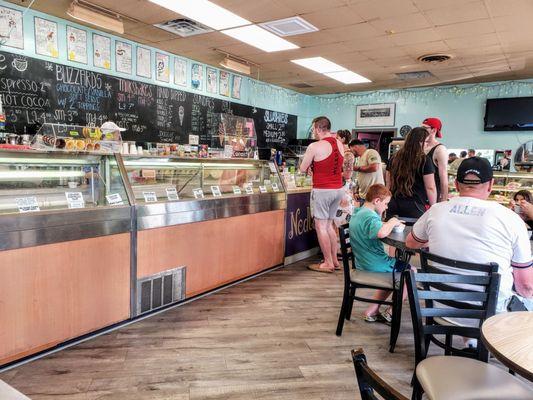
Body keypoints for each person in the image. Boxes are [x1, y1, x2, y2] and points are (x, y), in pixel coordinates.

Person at [406, 157, 533, 313]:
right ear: (491, 185)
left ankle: (470, 338)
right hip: (491, 319)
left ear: (456, 184)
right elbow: (526, 286)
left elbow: (411, 243)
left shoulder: (436, 210)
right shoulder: (510, 218)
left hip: (441, 309)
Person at [349, 184, 409, 322]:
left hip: (362, 262)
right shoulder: (370, 217)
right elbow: (381, 233)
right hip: (375, 264)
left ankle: (373, 309)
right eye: (386, 203)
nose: (387, 207)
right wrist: (393, 221)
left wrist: (385, 223)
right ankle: (392, 312)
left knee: (394, 276)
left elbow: (374, 227)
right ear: (377, 201)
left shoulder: (359, 213)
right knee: (410, 272)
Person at [300, 116, 345, 273]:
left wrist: (310, 166)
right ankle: (334, 260)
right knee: (329, 225)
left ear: (319, 128)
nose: (313, 132)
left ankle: (327, 263)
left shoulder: (314, 146)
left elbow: (302, 168)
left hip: (322, 189)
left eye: (313, 129)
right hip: (338, 189)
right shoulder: (339, 143)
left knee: (321, 226)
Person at [386, 127, 437, 219]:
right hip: (414, 206)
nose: (427, 145)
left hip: (393, 203)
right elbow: (430, 188)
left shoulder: (393, 158)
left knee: (390, 232)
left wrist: (386, 203)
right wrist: (434, 208)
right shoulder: (424, 160)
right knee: (413, 233)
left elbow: (388, 184)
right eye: (426, 142)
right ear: (419, 142)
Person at [422, 117, 448, 202]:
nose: (421, 131)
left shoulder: (440, 149)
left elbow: (443, 177)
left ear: (433, 130)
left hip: (431, 197)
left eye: (424, 128)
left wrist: (443, 200)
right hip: (417, 196)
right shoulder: (420, 147)